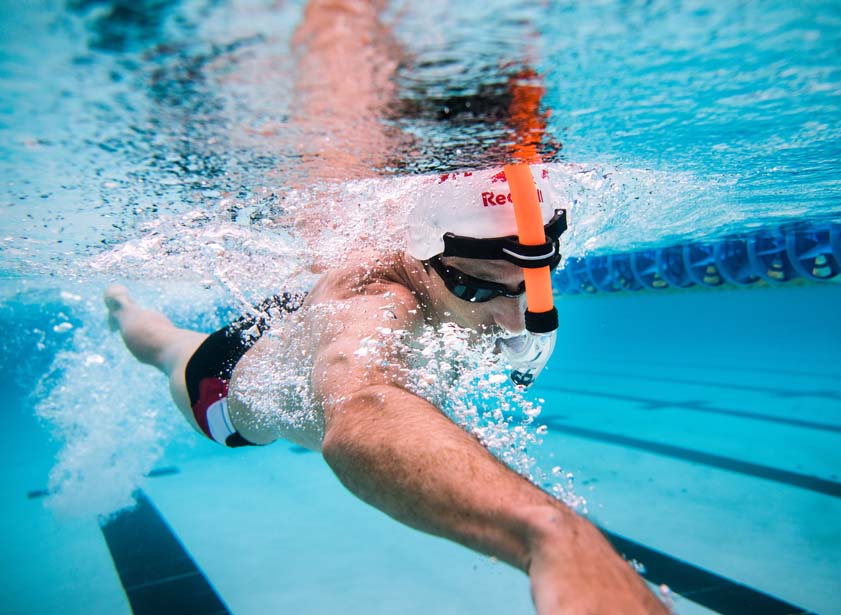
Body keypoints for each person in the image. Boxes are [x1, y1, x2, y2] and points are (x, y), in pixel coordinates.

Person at [104, 2, 670, 613]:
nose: (515, 314)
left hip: (301, 319)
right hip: (224, 383)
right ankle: (122, 306)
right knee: (157, 342)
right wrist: (551, 536)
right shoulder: (376, 302)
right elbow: (363, 408)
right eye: (480, 289)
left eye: (531, 283)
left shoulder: (501, 272)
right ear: (418, 256)